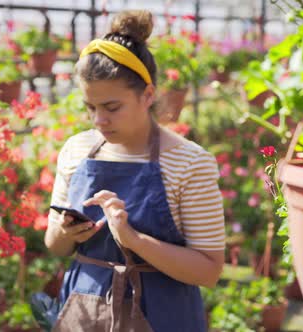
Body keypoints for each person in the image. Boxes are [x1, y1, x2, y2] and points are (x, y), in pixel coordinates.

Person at [44, 10, 225, 332]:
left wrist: (133, 240)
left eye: (112, 108)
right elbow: (55, 246)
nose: (99, 120)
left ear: (148, 95)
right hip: (84, 310)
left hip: (164, 315)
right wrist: (65, 231)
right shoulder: (76, 150)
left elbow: (208, 271)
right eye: (91, 107)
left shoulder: (189, 162)